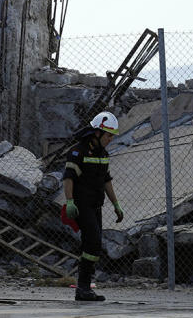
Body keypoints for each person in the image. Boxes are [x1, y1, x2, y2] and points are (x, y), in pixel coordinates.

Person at [62, 111, 125, 302]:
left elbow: (106, 180)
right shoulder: (77, 151)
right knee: (93, 241)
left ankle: (84, 289)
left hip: (96, 205)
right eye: (108, 135)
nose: (110, 139)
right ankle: (83, 288)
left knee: (92, 245)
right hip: (81, 205)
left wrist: (116, 204)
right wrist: (70, 201)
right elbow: (68, 178)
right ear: (97, 133)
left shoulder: (103, 154)